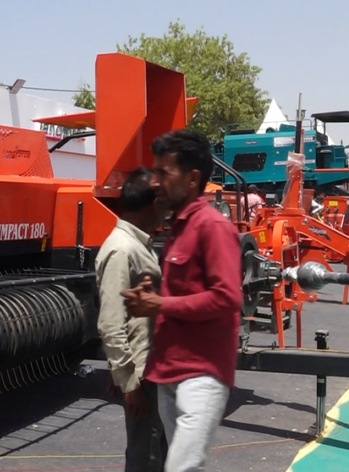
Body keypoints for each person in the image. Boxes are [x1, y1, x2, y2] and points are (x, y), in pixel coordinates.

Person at [122, 129, 242, 472]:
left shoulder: (212, 227)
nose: (154, 182)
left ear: (192, 179)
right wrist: (154, 295)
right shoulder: (179, 228)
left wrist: (158, 304)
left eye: (164, 173)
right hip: (170, 372)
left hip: (201, 375)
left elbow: (227, 297)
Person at [96, 167, 168, 471]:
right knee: (145, 458)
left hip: (147, 370)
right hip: (142, 377)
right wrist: (128, 383)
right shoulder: (122, 250)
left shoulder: (137, 245)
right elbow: (111, 323)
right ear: (152, 204)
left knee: (154, 453)